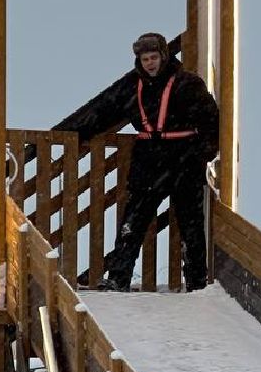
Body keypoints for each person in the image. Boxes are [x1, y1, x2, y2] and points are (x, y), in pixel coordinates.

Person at [58, 32, 220, 291]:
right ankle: (118, 278)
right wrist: (70, 135)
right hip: (149, 159)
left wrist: (203, 154)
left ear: (164, 56)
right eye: (145, 59)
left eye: (154, 57)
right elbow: (102, 112)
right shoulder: (132, 86)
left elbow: (212, 121)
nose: (150, 63)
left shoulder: (188, 83)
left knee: (191, 224)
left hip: (184, 158)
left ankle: (197, 283)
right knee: (132, 223)